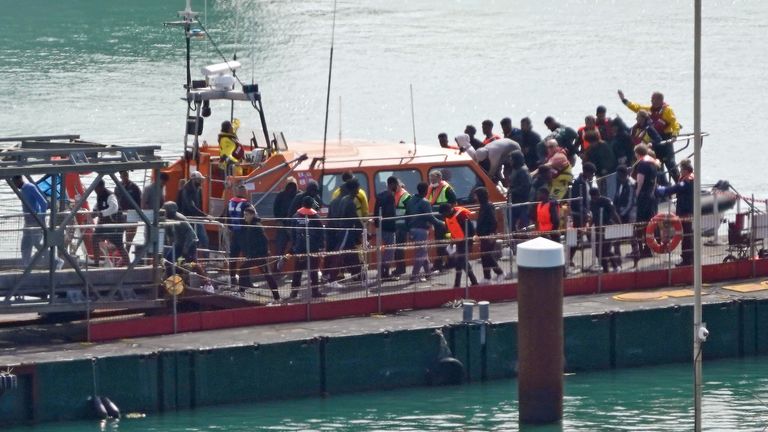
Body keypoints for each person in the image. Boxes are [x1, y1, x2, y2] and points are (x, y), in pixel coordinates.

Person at [619, 90, 681, 181]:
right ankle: (664, 187)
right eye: (651, 99)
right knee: (657, 165)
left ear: (660, 100)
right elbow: (637, 107)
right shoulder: (649, 109)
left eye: (653, 99)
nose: (651, 101)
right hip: (654, 142)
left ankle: (679, 183)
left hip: (666, 140)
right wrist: (624, 100)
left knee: (670, 164)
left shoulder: (667, 110)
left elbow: (675, 123)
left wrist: (675, 135)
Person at [325, 178, 363, 286]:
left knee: (353, 255)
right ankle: (332, 280)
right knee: (339, 255)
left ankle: (361, 278)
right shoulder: (350, 202)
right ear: (354, 189)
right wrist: (362, 231)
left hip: (344, 232)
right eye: (358, 188)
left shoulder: (344, 200)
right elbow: (355, 219)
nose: (359, 190)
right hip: (346, 232)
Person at [237, 206, 281, 300]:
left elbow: (265, 240)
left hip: (259, 256)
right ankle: (241, 291)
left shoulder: (256, 226)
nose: (244, 217)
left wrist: (263, 253)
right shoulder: (251, 225)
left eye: (247, 215)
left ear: (252, 215)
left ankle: (276, 296)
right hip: (253, 256)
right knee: (243, 269)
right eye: (244, 215)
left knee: (268, 275)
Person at [405, 182, 445, 281]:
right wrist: (442, 223)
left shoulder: (410, 200)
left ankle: (428, 273)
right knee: (421, 254)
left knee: (423, 252)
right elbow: (430, 217)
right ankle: (414, 276)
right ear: (426, 190)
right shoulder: (425, 202)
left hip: (412, 229)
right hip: (421, 230)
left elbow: (407, 217)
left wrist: (408, 231)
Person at [657, 159, 694, 266]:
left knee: (687, 236)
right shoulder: (691, 178)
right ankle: (688, 257)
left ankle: (687, 259)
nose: (680, 171)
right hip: (687, 210)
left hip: (685, 211)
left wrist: (661, 190)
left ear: (686, 170)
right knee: (687, 235)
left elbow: (675, 189)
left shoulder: (686, 181)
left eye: (681, 169)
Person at [290, 196, 325, 298]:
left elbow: (292, 232)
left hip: (299, 249)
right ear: (312, 205)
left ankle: (294, 292)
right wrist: (321, 246)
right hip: (313, 248)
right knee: (313, 271)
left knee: (297, 272)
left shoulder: (296, 216)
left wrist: (294, 245)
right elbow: (321, 234)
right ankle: (315, 292)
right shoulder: (316, 217)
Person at [439, 203, 478, 288]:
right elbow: (449, 231)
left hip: (466, 242)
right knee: (460, 263)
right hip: (458, 242)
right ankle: (459, 284)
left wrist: (469, 241)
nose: (443, 216)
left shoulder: (461, 216)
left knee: (462, 261)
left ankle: (472, 282)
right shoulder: (447, 218)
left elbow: (470, 229)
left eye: (444, 214)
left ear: (448, 211)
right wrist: (451, 242)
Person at [12, 175, 48, 267]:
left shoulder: (30, 187)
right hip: (27, 223)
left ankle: (55, 261)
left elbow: (43, 203)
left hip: (35, 222)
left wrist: (41, 219)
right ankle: (26, 266)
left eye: (15, 182)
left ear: (20, 179)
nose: (15, 185)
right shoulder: (22, 190)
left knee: (36, 243)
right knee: (25, 245)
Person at [92, 179, 129, 267]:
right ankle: (96, 263)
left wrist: (102, 213)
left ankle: (129, 265)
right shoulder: (99, 195)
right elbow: (97, 205)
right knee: (94, 238)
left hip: (114, 224)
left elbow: (114, 207)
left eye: (96, 188)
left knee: (119, 245)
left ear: (101, 187)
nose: (95, 190)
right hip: (104, 225)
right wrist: (94, 212)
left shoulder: (110, 195)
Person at [427, 170, 457, 272]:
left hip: (445, 220)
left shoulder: (447, 189)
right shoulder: (431, 188)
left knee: (444, 242)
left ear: (440, 178)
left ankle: (443, 263)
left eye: (434, 179)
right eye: (431, 179)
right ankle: (445, 263)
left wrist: (448, 216)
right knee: (440, 242)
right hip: (436, 219)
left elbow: (453, 202)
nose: (432, 180)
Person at [456, 134, 520, 182]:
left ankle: (510, 184)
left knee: (508, 171)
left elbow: (493, 168)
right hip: (504, 148)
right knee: (500, 168)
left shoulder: (493, 154)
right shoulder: (485, 148)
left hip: (514, 148)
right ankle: (505, 181)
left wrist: (487, 179)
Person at [632, 143, 659, 258]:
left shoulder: (642, 164)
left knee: (640, 223)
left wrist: (635, 196)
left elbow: (640, 182)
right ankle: (649, 247)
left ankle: (640, 249)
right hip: (651, 195)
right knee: (650, 223)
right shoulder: (653, 163)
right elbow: (654, 181)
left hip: (643, 197)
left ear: (637, 153)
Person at [474, 187, 505, 283]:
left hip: (488, 235)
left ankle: (500, 272)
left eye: (476, 195)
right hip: (483, 236)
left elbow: (493, 221)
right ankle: (487, 277)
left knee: (487, 255)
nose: (475, 197)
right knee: (484, 256)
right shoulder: (483, 206)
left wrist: (491, 234)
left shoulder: (488, 206)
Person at [589, 187, 622, 272]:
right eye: (592, 197)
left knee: (605, 250)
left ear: (598, 194)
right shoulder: (592, 203)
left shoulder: (606, 201)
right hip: (598, 229)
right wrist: (589, 226)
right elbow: (593, 216)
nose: (594, 199)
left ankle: (613, 267)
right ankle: (608, 268)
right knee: (598, 251)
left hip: (607, 227)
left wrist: (620, 225)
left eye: (595, 197)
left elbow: (614, 213)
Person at [373, 176, 399, 281]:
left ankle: (381, 272)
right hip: (389, 227)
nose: (397, 187)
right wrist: (394, 224)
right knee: (390, 251)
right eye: (396, 184)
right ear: (392, 184)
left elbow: (376, 211)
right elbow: (390, 213)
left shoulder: (380, 195)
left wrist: (377, 225)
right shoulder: (390, 196)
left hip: (380, 227)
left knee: (382, 251)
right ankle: (385, 273)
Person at [161, 201, 198, 275]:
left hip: (190, 243)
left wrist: (186, 247)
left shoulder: (180, 218)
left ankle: (193, 279)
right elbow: (168, 229)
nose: (165, 213)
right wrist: (170, 239)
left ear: (171, 211)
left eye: (166, 211)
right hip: (179, 243)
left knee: (190, 263)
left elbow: (190, 234)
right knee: (169, 260)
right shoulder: (169, 218)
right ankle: (170, 277)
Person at [226, 184, 251, 286]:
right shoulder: (246, 204)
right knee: (247, 257)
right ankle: (245, 281)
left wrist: (230, 229)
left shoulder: (230, 203)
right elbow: (251, 218)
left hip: (234, 234)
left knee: (233, 257)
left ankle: (232, 280)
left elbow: (226, 217)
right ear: (244, 192)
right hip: (244, 234)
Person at [177, 171, 210, 249]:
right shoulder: (186, 190)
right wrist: (205, 216)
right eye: (199, 180)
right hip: (188, 218)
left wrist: (202, 216)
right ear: (193, 180)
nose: (200, 182)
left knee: (204, 240)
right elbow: (190, 207)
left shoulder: (199, 189)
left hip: (197, 218)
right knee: (193, 240)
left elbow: (200, 205)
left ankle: (203, 257)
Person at [272, 177, 299, 268]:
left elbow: (316, 205)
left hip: (296, 227)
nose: (291, 187)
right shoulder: (280, 195)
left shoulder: (301, 195)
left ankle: (287, 260)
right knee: (279, 249)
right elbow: (275, 209)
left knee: (297, 247)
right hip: (283, 226)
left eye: (293, 185)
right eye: (289, 185)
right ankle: (277, 269)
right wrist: (278, 221)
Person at [613, 165, 637, 264]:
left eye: (619, 175)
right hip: (621, 213)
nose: (617, 177)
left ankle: (636, 257)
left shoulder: (630, 183)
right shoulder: (621, 182)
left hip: (629, 213)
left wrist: (622, 214)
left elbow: (631, 202)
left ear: (623, 174)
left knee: (632, 236)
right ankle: (617, 258)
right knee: (617, 237)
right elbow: (618, 197)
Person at [115, 170, 142, 254]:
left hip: (132, 214)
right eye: (123, 176)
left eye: (126, 175)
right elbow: (115, 199)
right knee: (118, 236)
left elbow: (140, 201)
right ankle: (121, 256)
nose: (125, 178)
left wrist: (139, 214)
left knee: (129, 239)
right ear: (120, 177)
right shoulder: (117, 187)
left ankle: (126, 258)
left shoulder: (134, 187)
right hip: (121, 214)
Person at [505, 150, 531, 231]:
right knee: (510, 224)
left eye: (511, 159)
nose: (510, 161)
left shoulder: (523, 170)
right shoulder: (516, 169)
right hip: (514, 202)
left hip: (521, 203)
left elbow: (526, 187)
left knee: (522, 226)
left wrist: (512, 191)